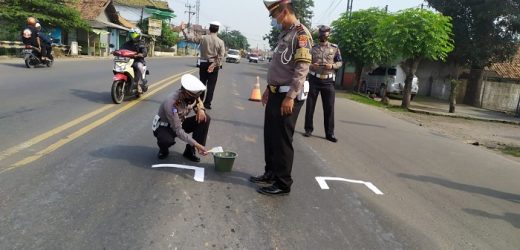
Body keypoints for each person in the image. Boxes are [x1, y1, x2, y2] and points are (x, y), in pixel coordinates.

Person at [250, 0, 313, 196]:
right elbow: (280, 66)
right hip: (276, 92)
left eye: (274, 16)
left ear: (284, 11)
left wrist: (290, 96)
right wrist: (269, 88)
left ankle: (283, 182)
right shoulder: (285, 34)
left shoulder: (301, 35)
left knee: (282, 139)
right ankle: (270, 173)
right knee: (270, 135)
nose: (273, 20)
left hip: (288, 95)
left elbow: (301, 69)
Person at [152, 74, 210, 162]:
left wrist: (201, 109)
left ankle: (190, 151)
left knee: (205, 119)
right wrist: (197, 145)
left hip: (180, 122)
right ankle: (163, 150)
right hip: (166, 126)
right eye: (192, 97)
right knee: (165, 140)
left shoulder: (192, 95)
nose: (193, 100)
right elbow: (178, 130)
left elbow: (198, 99)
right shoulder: (171, 103)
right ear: (184, 93)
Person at [304, 25, 342, 142]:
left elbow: (340, 62)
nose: (323, 35)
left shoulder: (335, 48)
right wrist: (311, 65)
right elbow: (305, 62)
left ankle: (329, 133)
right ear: (319, 34)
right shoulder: (312, 48)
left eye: (325, 34)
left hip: (328, 81)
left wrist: (333, 66)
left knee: (329, 108)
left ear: (328, 35)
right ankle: (308, 129)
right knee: (310, 106)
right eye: (321, 33)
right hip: (314, 79)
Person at [180, 21, 225, 109]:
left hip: (203, 63)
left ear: (209, 29)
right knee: (211, 86)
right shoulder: (220, 42)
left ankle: (199, 103)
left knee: (202, 84)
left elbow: (190, 39)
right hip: (214, 65)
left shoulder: (203, 38)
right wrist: (213, 65)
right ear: (218, 30)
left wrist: (183, 30)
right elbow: (221, 56)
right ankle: (207, 104)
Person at [121, 28, 147, 94]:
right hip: (127, 60)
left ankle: (139, 84)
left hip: (138, 60)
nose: (132, 36)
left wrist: (141, 54)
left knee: (138, 66)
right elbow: (121, 49)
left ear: (138, 35)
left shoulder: (141, 43)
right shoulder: (127, 43)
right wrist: (115, 51)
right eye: (131, 34)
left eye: (134, 34)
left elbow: (144, 52)